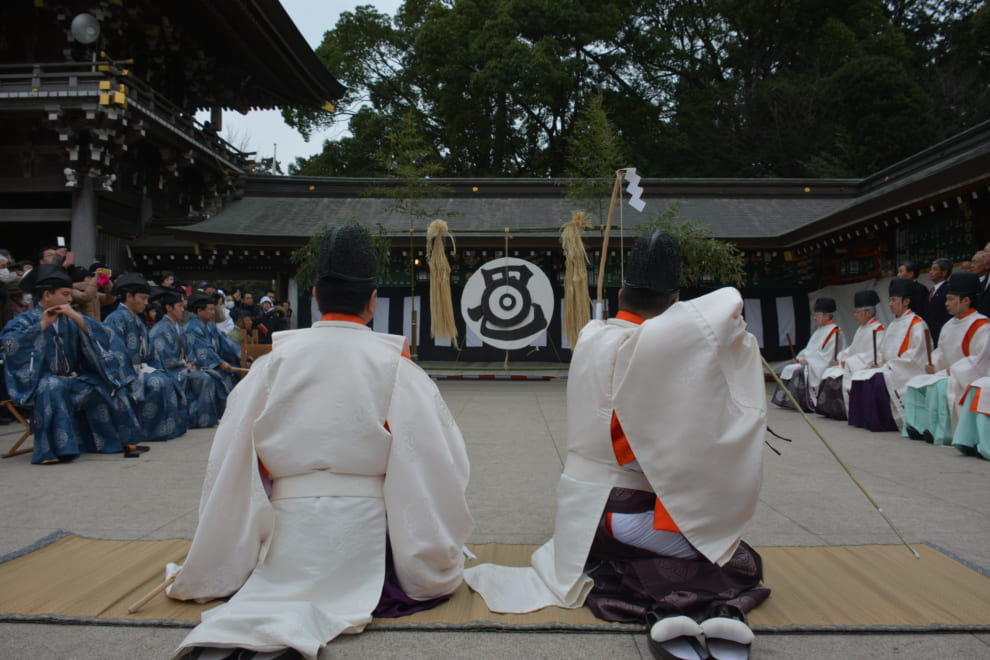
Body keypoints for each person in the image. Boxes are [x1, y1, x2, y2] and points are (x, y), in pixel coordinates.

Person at [167, 225, 473, 660]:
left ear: (313, 297)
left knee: (271, 582)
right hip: (370, 528)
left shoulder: (272, 365)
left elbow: (230, 457)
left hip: (283, 528)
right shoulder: (395, 368)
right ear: (372, 302)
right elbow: (441, 462)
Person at [465, 230, 769, 659]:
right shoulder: (658, 354)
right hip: (624, 516)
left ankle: (650, 594)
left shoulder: (591, 336)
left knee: (683, 542)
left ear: (622, 291)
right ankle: (684, 603)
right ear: (675, 303)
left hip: (579, 513)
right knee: (739, 561)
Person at [0, 264, 143, 464]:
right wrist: (42, 326)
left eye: (70, 295)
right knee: (52, 386)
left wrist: (76, 316)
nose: (69, 299)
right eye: (65, 294)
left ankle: (113, 442)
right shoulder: (25, 320)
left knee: (106, 386)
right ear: (47, 295)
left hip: (72, 379)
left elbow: (103, 335)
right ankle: (54, 451)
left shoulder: (70, 319)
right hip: (40, 382)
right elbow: (9, 345)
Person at [903, 272, 989, 444]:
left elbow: (980, 360)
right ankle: (919, 427)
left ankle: (942, 433)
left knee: (939, 386)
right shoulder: (949, 325)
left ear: (966, 300)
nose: (946, 303)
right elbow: (940, 352)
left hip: (966, 377)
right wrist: (933, 364)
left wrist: (951, 371)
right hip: (947, 372)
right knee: (915, 382)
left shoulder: (982, 325)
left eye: (950, 299)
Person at [104, 273, 186, 442]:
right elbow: (115, 354)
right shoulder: (115, 319)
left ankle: (164, 429)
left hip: (142, 368)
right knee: (158, 382)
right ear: (129, 296)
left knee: (166, 379)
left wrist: (156, 369)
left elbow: (150, 354)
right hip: (124, 374)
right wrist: (134, 373)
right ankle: (147, 430)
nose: (146, 303)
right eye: (142, 298)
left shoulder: (138, 321)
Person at [847, 279, 930, 432]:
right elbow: (882, 351)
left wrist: (889, 366)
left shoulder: (917, 324)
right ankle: (866, 419)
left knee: (877, 379)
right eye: (890, 300)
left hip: (905, 369)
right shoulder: (893, 325)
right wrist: (879, 363)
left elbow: (915, 356)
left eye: (893, 300)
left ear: (906, 302)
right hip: (890, 366)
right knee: (863, 376)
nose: (890, 304)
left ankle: (887, 421)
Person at [148, 288, 222, 429]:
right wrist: (182, 367)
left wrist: (190, 363)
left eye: (183, 307)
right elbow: (163, 357)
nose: (183, 310)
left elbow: (187, 351)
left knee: (209, 376)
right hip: (167, 370)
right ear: (169, 308)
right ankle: (193, 419)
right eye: (180, 307)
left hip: (181, 366)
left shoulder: (177, 327)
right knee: (203, 378)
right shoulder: (161, 329)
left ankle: (200, 418)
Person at [816, 291, 885, 421]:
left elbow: (871, 355)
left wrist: (849, 362)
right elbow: (852, 349)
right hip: (852, 363)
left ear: (869, 313)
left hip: (863, 366)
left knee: (836, 380)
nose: (855, 316)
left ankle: (841, 411)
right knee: (829, 373)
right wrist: (842, 357)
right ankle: (830, 410)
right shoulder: (862, 329)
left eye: (857, 312)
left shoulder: (878, 330)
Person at [771, 297, 843, 412]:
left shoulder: (834, 332)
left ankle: (804, 403)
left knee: (798, 371)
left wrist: (808, 361)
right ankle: (791, 402)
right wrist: (800, 358)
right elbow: (809, 350)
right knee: (790, 368)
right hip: (811, 363)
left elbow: (826, 356)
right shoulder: (819, 330)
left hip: (822, 366)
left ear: (826, 316)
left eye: (817, 315)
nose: (814, 318)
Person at [184, 291, 241, 416]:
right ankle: (216, 414)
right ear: (199, 311)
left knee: (235, 373)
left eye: (213, 309)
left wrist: (242, 355)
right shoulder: (192, 328)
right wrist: (220, 363)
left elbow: (226, 343)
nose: (213, 312)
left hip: (212, 362)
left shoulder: (211, 326)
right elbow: (203, 350)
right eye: (210, 309)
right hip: (198, 365)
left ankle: (230, 413)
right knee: (219, 377)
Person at [924, 258, 952, 347]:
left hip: (941, 332)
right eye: (931, 269)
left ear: (944, 273)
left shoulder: (947, 289)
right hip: (930, 332)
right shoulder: (932, 290)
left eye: (935, 269)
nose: (931, 272)